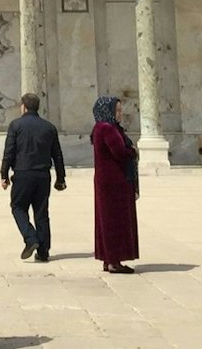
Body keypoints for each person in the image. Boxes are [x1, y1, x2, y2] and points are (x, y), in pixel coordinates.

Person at [0, 92, 65, 263]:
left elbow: (9, 152)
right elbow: (57, 155)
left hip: (23, 174)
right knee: (41, 212)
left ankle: (30, 238)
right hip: (43, 176)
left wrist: (4, 175)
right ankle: (43, 251)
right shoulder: (49, 127)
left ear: (23, 107)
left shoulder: (16, 125)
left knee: (18, 207)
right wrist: (60, 178)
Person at [90, 96, 139, 274]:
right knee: (115, 221)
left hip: (106, 181)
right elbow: (119, 152)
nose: (120, 114)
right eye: (117, 110)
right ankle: (114, 261)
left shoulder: (99, 128)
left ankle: (108, 258)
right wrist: (133, 151)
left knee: (106, 219)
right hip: (114, 182)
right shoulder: (108, 128)